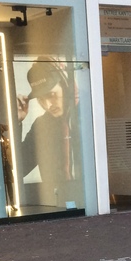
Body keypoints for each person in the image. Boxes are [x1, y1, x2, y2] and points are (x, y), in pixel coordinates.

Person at [16, 57, 79, 193]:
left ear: (65, 86)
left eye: (51, 94)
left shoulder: (87, 117)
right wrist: (17, 122)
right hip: (58, 203)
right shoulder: (42, 126)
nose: (48, 105)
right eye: (41, 99)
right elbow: (19, 169)